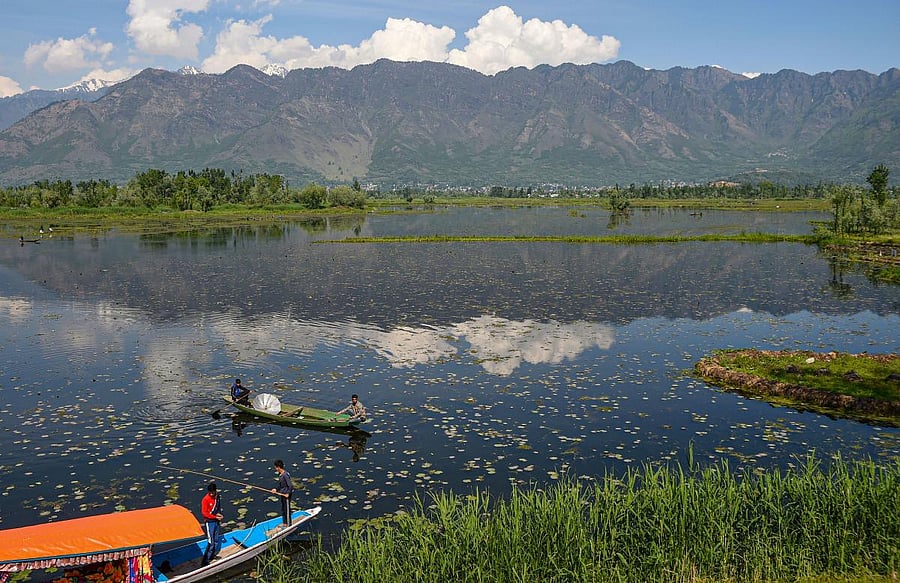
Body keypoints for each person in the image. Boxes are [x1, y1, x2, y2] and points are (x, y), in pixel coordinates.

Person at [200, 482, 224, 567]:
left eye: (213, 492)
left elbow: (218, 507)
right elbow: (204, 513)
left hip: (216, 521)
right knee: (211, 542)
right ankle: (205, 561)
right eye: (210, 492)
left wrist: (219, 514)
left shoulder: (217, 496)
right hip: (209, 522)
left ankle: (212, 556)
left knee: (216, 539)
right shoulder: (205, 499)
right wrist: (215, 517)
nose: (211, 494)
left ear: (215, 491)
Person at [271, 459, 294, 526]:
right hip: (282, 494)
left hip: (286, 495)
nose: (275, 469)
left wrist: (288, 493)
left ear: (278, 467)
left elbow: (290, 486)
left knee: (287, 509)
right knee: (283, 509)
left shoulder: (285, 475)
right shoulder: (280, 474)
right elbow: (281, 485)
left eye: (275, 467)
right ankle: (285, 523)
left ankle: (289, 524)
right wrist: (275, 489)